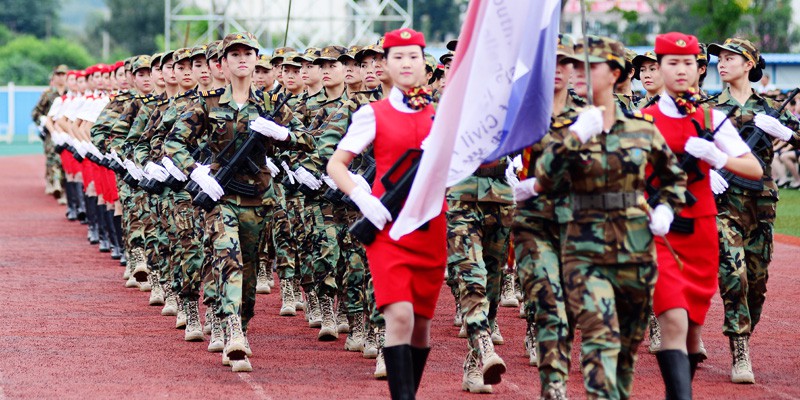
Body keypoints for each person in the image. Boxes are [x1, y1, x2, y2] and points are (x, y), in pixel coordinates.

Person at [533, 35, 688, 400]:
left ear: (615, 72)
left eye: (592, 66)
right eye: (576, 66)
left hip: (635, 253)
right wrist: (574, 137)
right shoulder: (567, 128)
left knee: (625, 355)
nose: (579, 73)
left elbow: (674, 179)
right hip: (584, 254)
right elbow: (544, 177)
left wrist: (666, 208)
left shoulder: (641, 128)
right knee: (600, 342)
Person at [165, 32, 311, 372]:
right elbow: (173, 144)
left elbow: (308, 141)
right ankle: (232, 331)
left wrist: (283, 134)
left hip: (259, 201)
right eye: (235, 54)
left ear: (257, 58)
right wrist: (196, 173)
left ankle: (239, 323)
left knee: (246, 274)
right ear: (224, 63)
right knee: (227, 259)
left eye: (248, 53)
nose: (242, 59)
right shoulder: (209, 103)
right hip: (222, 200)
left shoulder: (271, 105)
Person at [640, 32, 763, 399]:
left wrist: (717, 158)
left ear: (698, 69)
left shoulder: (712, 118)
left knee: (692, 328)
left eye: (688, 63)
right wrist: (647, 208)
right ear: (659, 67)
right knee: (673, 318)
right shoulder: (641, 120)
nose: (680, 70)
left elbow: (753, 168)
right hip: (660, 233)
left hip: (701, 234)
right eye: (672, 63)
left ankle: (679, 389)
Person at [327, 27, 442, 400]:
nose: (407, 63)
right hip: (387, 230)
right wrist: (363, 197)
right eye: (398, 57)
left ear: (425, 66)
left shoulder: (441, 117)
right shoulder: (371, 114)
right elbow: (337, 165)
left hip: (430, 228)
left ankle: (408, 390)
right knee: (401, 316)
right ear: (385, 67)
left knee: (422, 325)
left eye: (414, 57)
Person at [707, 37, 800, 384]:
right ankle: (739, 347)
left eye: (731, 57)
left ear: (748, 64)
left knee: (756, 284)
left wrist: (787, 134)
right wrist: (707, 173)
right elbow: (686, 146)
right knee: (735, 275)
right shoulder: (710, 106)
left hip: (761, 205)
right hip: (723, 203)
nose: (722, 63)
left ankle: (745, 329)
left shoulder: (770, 107)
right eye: (720, 58)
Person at [511, 33, 584, 400]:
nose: (557, 70)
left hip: (576, 225)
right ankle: (554, 387)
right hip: (534, 225)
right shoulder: (521, 113)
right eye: (550, 63)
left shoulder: (586, 118)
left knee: (569, 310)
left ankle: (555, 375)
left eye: (564, 63)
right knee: (550, 303)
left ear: (572, 70)